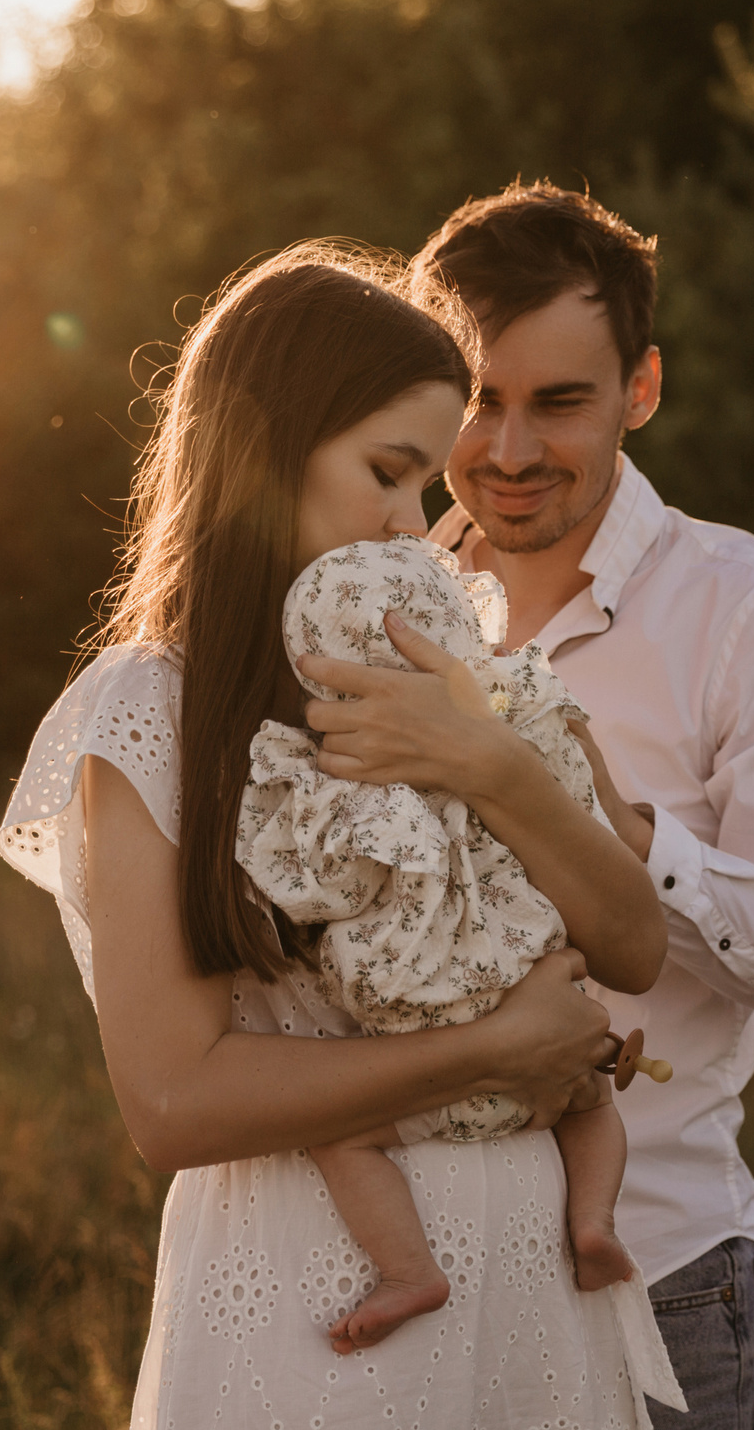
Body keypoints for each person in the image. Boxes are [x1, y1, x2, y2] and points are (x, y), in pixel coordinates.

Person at [0, 243, 686, 1430]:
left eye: (427, 488)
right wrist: (491, 1049)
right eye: (386, 472)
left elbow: (633, 943)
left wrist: (491, 764)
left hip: (530, 1283)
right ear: (266, 450)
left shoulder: (460, 679)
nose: (411, 526)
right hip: (310, 1300)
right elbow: (169, 1099)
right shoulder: (153, 707)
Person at [297, 186, 754, 1430]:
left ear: (643, 388)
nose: (506, 451)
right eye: (475, 402)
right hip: (407, 1278)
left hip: (657, 1280)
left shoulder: (752, 612)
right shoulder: (371, 586)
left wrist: (626, 834)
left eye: (558, 402)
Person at [237, 535, 643, 1357]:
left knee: (343, 1135)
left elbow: (330, 894)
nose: (410, 513)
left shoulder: (349, 783)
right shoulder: (520, 722)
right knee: (597, 1108)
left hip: (430, 1051)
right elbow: (611, 857)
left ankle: (408, 1267)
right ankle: (594, 1221)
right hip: (556, 1045)